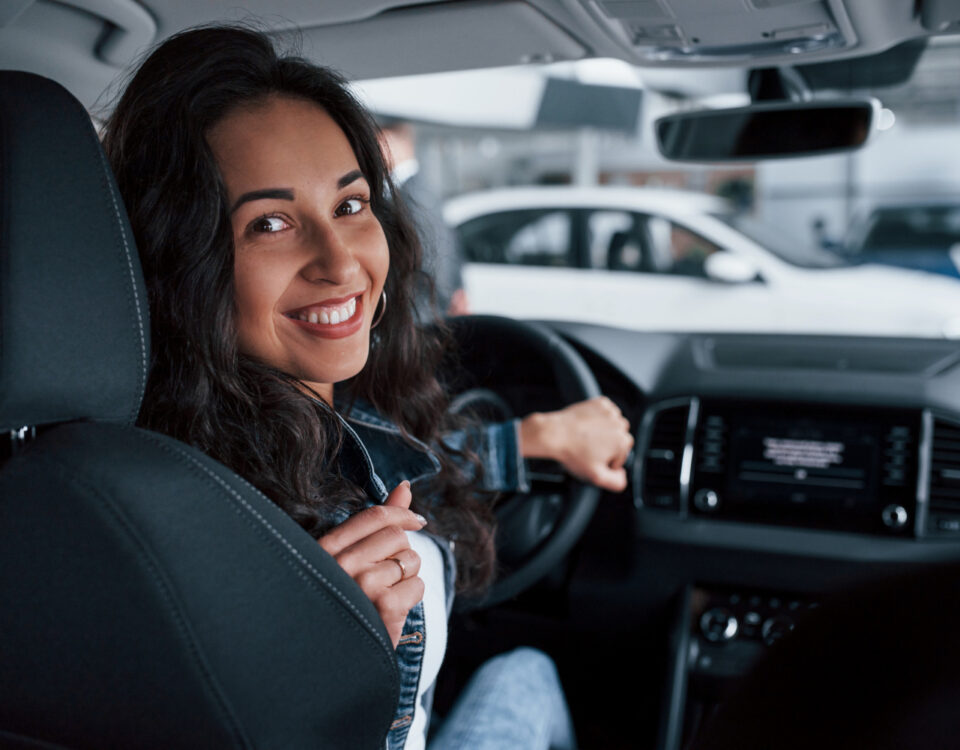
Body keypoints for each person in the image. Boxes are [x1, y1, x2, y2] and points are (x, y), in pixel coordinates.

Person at [103, 25, 633, 749]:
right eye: (270, 223)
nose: (342, 264)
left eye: (349, 206)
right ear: (179, 261)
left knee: (526, 673)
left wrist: (534, 439)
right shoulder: (189, 534)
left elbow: (403, 468)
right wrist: (323, 667)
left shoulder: (310, 423)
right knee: (531, 673)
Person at [378, 118, 470, 316]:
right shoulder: (411, 187)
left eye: (379, 143)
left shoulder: (414, 192)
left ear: (394, 142)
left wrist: (426, 312)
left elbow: (435, 258)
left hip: (419, 313)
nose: (374, 151)